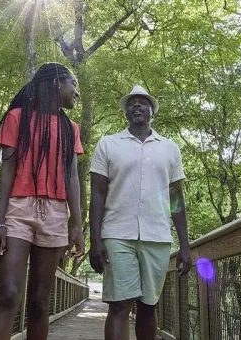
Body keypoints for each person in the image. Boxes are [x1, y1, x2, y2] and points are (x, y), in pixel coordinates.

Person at [0, 63, 85, 340]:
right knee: (8, 294)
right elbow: (7, 172)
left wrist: (77, 225)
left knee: (40, 302)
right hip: (18, 210)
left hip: (55, 214)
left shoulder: (70, 128)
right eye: (73, 84)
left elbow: (72, 178)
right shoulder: (17, 118)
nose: (76, 92)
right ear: (56, 83)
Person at [88, 85, 193, 340]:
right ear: (126, 112)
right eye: (131, 103)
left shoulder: (170, 148)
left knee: (148, 306)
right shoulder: (108, 144)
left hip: (157, 236)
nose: (137, 105)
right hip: (117, 234)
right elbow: (97, 195)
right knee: (119, 304)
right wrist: (95, 240)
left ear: (152, 111)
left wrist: (185, 245)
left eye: (143, 102)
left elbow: (176, 199)